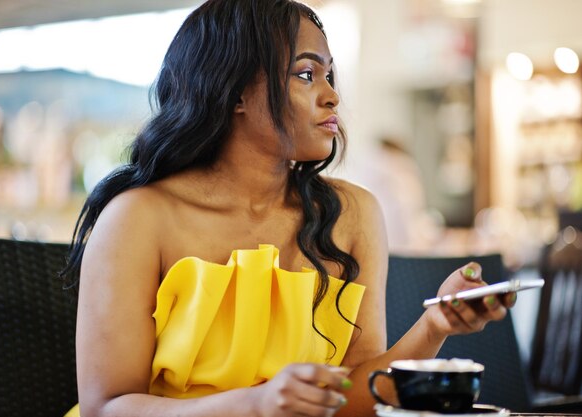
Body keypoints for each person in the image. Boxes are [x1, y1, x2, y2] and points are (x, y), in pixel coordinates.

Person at [61, 1, 515, 416]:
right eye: (305, 75)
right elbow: (108, 408)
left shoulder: (352, 215)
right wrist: (254, 405)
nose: (332, 96)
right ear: (234, 91)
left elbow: (354, 398)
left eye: (330, 76)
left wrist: (434, 326)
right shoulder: (137, 218)